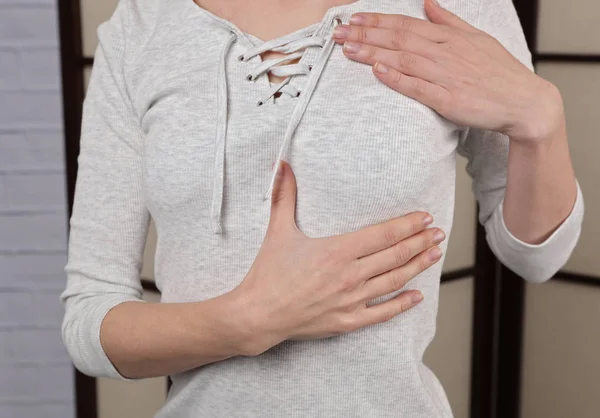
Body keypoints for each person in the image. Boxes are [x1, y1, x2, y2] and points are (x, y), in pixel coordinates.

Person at [60, 0, 584, 416]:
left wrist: (541, 118)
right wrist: (246, 322)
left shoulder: (456, 8)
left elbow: (536, 259)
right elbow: (89, 320)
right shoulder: (140, 25)